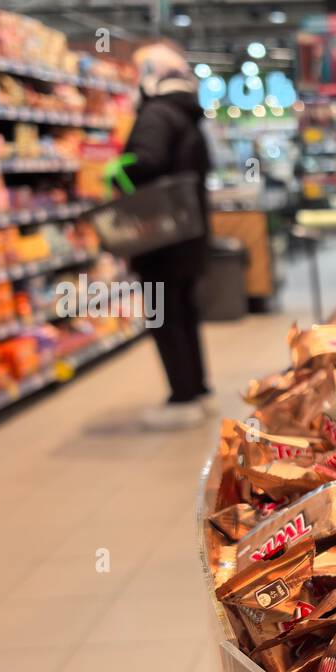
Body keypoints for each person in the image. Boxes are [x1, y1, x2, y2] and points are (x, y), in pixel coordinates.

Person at [123, 42, 214, 429]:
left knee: (164, 314)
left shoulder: (156, 115)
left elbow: (146, 163)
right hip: (188, 232)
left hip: (159, 237)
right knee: (184, 311)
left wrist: (118, 170)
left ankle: (181, 397)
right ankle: (196, 387)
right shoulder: (189, 116)